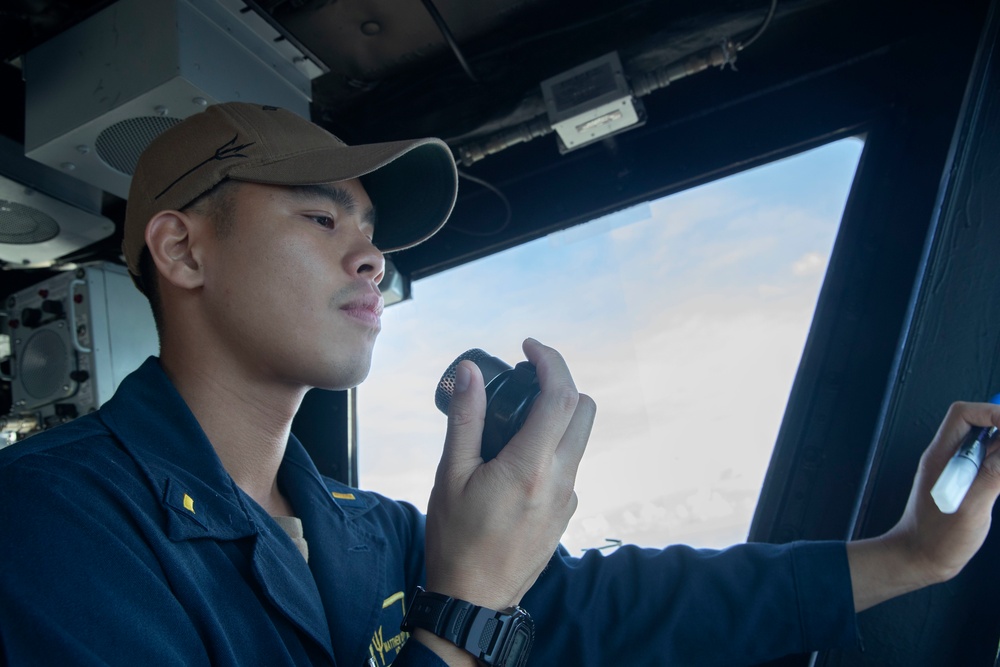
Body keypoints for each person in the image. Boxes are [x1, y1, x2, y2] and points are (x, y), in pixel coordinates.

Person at [0, 101, 997, 667]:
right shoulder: (49, 524)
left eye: (372, 240)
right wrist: (468, 606)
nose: (370, 261)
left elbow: (615, 610)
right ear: (182, 249)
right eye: (320, 220)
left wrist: (909, 557)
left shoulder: (369, 531)